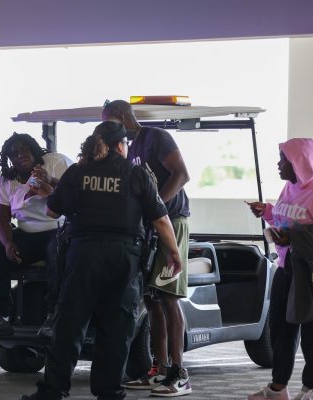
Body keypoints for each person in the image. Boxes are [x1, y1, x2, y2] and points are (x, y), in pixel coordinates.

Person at [20, 121, 183, 400]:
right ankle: (109, 392)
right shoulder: (136, 174)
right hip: (124, 261)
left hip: (82, 258)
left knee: (69, 326)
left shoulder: (77, 172)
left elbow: (51, 212)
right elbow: (160, 218)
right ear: (121, 145)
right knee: (116, 330)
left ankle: (53, 390)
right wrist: (174, 252)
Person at [102, 100, 192, 397]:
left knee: (168, 298)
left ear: (126, 117)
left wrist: (156, 210)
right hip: (149, 227)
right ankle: (160, 369)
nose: (110, 129)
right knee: (151, 300)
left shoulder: (155, 138)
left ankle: (180, 374)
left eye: (112, 122)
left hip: (171, 222)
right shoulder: (126, 150)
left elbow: (181, 174)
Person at [0, 133, 72, 336]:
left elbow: (75, 190)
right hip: (26, 232)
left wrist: (50, 182)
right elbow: (2, 217)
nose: (20, 155)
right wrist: (8, 243)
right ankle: (0, 316)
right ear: (9, 159)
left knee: (57, 257)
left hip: (56, 229)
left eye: (24, 149)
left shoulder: (56, 162)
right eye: (14, 153)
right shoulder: (6, 179)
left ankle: (54, 317)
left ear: (33, 148)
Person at [247, 138, 313, 400]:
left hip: (308, 273)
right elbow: (284, 218)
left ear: (299, 161)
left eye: (283, 159)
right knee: (280, 328)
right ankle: (278, 387)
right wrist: (267, 212)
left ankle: (311, 387)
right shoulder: (289, 188)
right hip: (286, 267)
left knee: (311, 333)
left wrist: (291, 237)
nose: (279, 164)